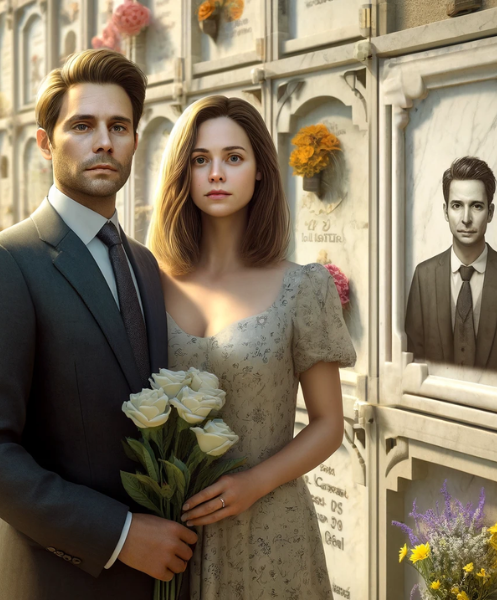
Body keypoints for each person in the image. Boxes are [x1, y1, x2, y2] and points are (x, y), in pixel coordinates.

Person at [0, 49, 197, 600]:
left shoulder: (144, 263)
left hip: (158, 579)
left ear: (136, 141)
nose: (104, 142)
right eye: (82, 125)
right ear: (46, 142)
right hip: (57, 580)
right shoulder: (6, 261)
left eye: (119, 126)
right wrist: (118, 535)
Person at [148, 95, 356, 599]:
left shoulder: (304, 287)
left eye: (233, 158)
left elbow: (329, 424)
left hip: (270, 527)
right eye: (200, 160)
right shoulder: (146, 282)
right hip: (169, 535)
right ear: (183, 173)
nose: (216, 173)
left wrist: (253, 484)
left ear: (260, 169)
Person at [405, 156, 497, 378]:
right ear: (445, 211)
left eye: (476, 206)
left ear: (490, 212)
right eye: (457, 205)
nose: (466, 218)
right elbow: (413, 365)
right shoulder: (424, 276)